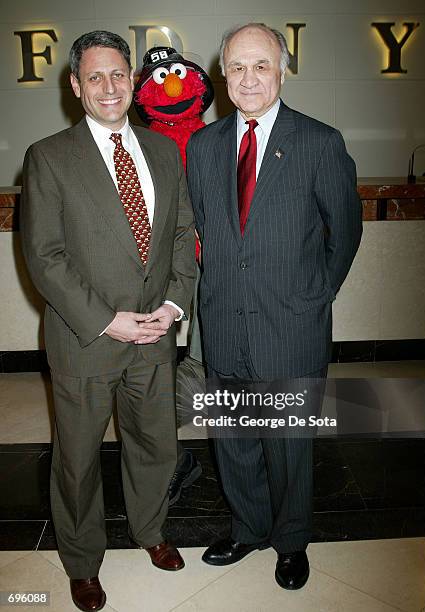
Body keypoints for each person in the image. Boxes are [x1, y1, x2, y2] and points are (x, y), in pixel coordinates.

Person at [20, 31, 195, 612]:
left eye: (119, 74)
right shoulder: (47, 156)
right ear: (75, 86)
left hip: (154, 336)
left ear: (134, 81)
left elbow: (180, 236)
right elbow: (44, 256)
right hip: (86, 340)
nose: (109, 87)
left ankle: (150, 531)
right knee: (77, 459)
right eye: (95, 76)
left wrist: (173, 306)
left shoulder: (165, 150)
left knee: (155, 445)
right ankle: (81, 560)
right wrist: (107, 321)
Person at [187, 23, 362, 591]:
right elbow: (209, 233)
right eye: (236, 67)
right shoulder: (206, 146)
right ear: (223, 75)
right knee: (234, 438)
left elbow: (346, 233)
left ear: (282, 70)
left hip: (292, 324)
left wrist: (314, 297)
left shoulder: (319, 141)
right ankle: (247, 527)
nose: (248, 78)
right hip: (224, 319)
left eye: (260, 65)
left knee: (287, 444)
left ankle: (290, 541)